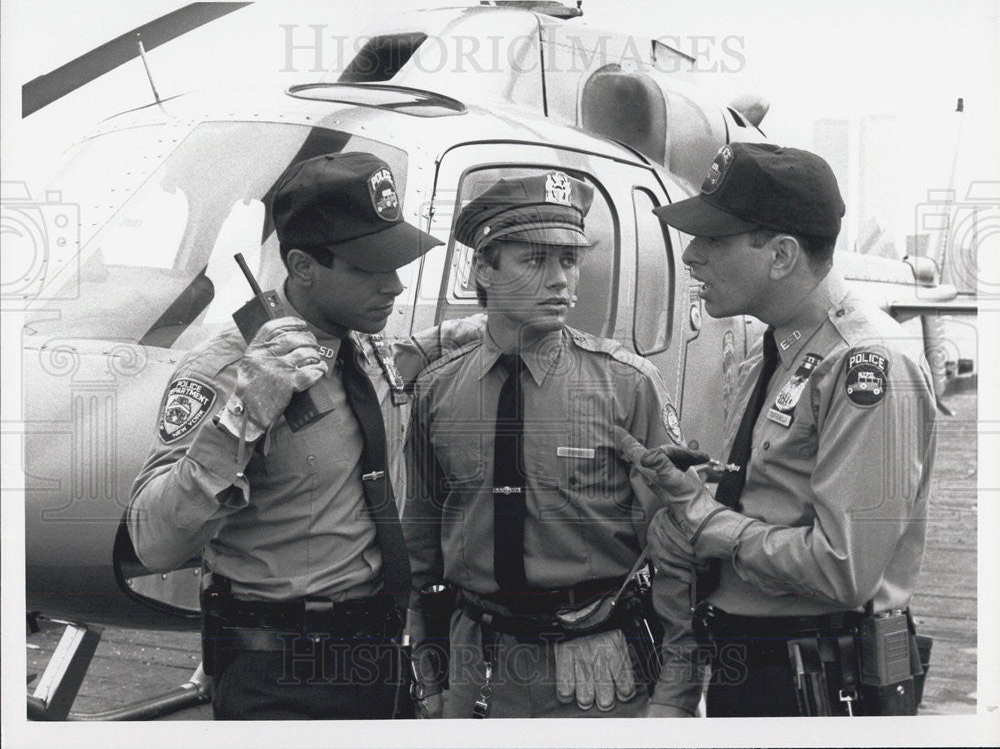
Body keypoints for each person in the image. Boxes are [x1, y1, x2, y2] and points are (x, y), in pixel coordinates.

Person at [127, 151, 471, 719]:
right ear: (303, 266)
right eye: (368, 267)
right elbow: (153, 542)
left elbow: (375, 380)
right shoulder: (227, 372)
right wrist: (243, 416)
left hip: (379, 659)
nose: (394, 284)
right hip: (282, 676)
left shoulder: (357, 341)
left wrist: (448, 337)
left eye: (395, 261)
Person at [620, 142, 937, 717]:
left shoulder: (866, 364)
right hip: (758, 666)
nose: (691, 257)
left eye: (714, 240)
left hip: (819, 683)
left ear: (782, 254)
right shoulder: (775, 355)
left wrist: (705, 521)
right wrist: (701, 491)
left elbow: (843, 569)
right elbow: (775, 496)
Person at [402, 170, 705, 719]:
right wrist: (429, 675)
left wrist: (676, 700)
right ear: (484, 268)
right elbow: (420, 548)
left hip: (599, 673)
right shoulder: (437, 391)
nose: (560, 280)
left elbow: (680, 557)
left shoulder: (627, 386)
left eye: (568, 261)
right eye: (534, 261)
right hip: (478, 669)